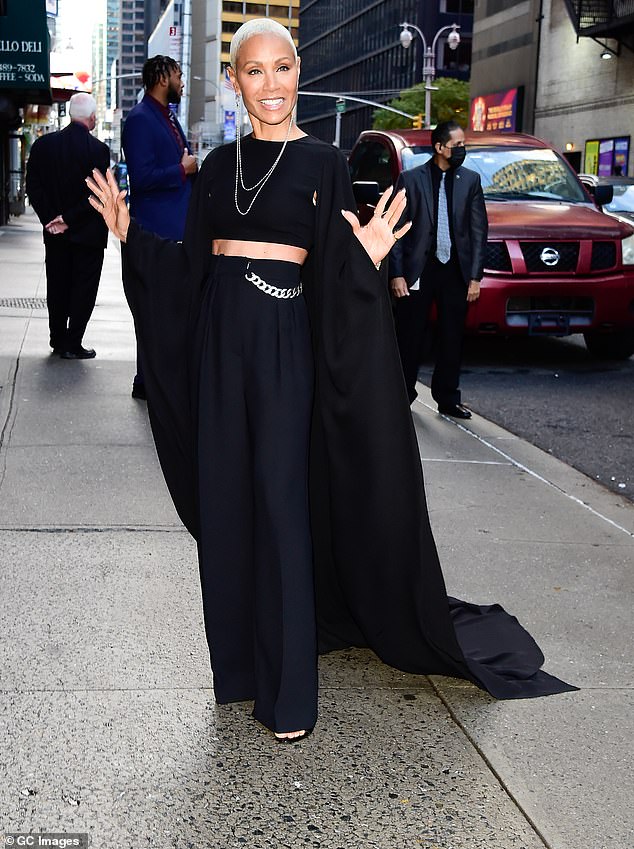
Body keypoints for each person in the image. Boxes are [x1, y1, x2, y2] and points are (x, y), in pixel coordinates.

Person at [87, 19, 575, 743]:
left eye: (283, 68)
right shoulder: (217, 166)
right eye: (255, 71)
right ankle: (240, 674)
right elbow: (191, 271)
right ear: (235, 81)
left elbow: (334, 278)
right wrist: (132, 239)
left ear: (297, 70)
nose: (272, 84)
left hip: (286, 348)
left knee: (283, 510)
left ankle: (289, 700)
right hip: (221, 343)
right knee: (228, 507)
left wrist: (369, 255)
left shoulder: (325, 163)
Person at [389, 120, 487, 417]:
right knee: (410, 335)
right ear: (440, 147)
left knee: (452, 335)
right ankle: (402, 395)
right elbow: (396, 229)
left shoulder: (470, 181)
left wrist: (475, 277)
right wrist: (397, 273)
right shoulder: (411, 179)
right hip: (419, 269)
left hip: (454, 270)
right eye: (457, 146)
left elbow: (478, 230)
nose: (462, 150)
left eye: (463, 145)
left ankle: (448, 397)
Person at [122, 54, 198, 399]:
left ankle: (156, 379)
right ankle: (148, 382)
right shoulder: (140, 120)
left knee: (170, 312)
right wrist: (183, 170)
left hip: (175, 233)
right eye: (179, 75)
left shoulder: (168, 117)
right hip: (153, 234)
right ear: (163, 76)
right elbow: (140, 179)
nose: (182, 82)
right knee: (154, 311)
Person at [26, 92, 109, 360]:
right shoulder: (98, 151)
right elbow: (97, 193)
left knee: (57, 285)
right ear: (92, 117)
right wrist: (69, 219)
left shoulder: (42, 146)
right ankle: (74, 342)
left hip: (55, 236)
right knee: (84, 288)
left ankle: (57, 338)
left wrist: (51, 219)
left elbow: (34, 187)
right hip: (88, 234)